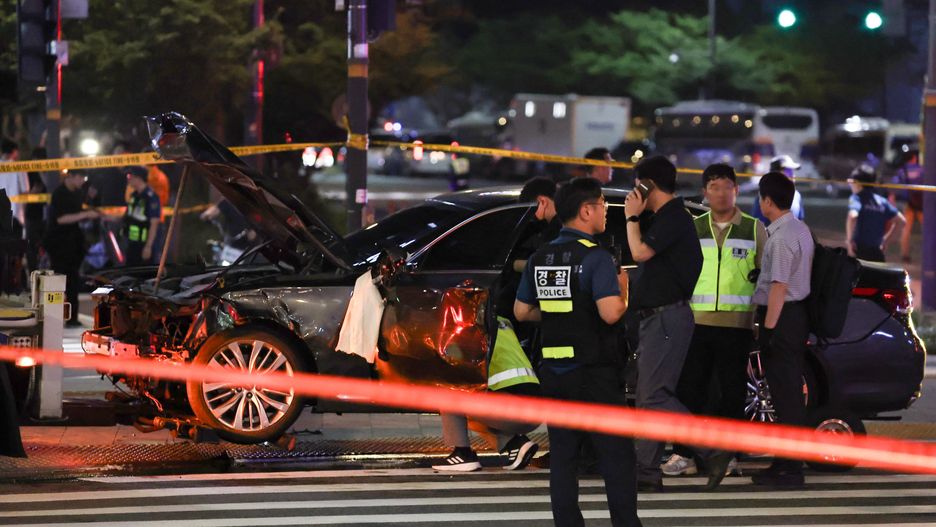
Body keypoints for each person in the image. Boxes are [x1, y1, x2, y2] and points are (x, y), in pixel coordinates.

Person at [514, 177, 640, 527]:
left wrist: (562, 313)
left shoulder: (541, 257)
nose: (605, 211)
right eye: (602, 204)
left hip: (555, 371)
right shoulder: (596, 257)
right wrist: (624, 290)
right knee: (616, 455)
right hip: (595, 371)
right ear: (586, 211)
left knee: (564, 457)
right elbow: (610, 313)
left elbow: (522, 312)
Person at [623, 155, 731, 492]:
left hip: (666, 317)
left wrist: (631, 217)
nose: (633, 193)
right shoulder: (667, 218)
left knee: (654, 396)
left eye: (637, 186)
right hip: (660, 318)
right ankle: (646, 472)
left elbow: (639, 253)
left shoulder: (673, 217)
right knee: (650, 397)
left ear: (647, 185)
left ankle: (713, 449)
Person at [662, 163, 766, 477]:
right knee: (689, 390)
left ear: (736, 190)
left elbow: (765, 278)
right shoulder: (694, 228)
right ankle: (684, 454)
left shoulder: (754, 229)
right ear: (705, 192)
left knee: (732, 394)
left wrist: (758, 319)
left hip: (736, 326)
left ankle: (727, 455)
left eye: (727, 187)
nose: (721, 193)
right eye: (714, 187)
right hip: (696, 324)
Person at [750, 171, 814, 488]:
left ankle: (790, 468)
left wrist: (769, 329)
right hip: (794, 316)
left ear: (767, 201)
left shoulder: (781, 237)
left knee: (785, 394)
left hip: (782, 318)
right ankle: (785, 462)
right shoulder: (799, 229)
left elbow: (779, 286)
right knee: (787, 392)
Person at [431, 316, 541, 472]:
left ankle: (462, 454)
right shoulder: (502, 323)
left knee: (449, 388)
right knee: (468, 416)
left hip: (513, 410)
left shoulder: (469, 332)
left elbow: (457, 376)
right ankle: (515, 444)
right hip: (537, 410)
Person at [45, 170, 99, 328]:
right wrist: (85, 215)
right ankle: (53, 319)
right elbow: (61, 219)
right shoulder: (59, 194)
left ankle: (72, 318)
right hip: (58, 244)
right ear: (71, 177)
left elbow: (77, 213)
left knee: (73, 281)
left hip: (73, 244)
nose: (83, 181)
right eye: (81, 177)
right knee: (57, 283)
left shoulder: (78, 193)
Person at [846, 164, 905, 262]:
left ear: (858, 183)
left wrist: (849, 241)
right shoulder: (882, 201)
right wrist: (886, 241)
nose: (849, 182)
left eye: (851, 181)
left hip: (859, 251)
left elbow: (852, 216)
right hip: (877, 252)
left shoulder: (856, 198)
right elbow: (901, 221)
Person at [122, 166, 162, 266]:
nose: (128, 179)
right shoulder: (134, 196)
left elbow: (154, 223)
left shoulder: (150, 197)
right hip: (132, 244)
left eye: (129, 176)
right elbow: (127, 216)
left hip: (144, 244)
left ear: (138, 178)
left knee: (144, 272)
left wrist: (148, 246)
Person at [888, 151, 923, 263]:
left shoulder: (902, 170)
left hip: (909, 204)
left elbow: (893, 187)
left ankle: (905, 255)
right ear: (914, 158)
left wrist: (892, 200)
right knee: (929, 230)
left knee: (905, 230)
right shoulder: (921, 169)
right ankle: (930, 255)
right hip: (922, 205)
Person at [751, 155, 804, 226]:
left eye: (792, 171)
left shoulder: (797, 195)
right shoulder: (763, 196)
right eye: (788, 171)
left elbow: (800, 221)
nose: (792, 175)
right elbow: (758, 226)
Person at [24, 147, 48, 273]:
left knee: (46, 243)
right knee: (31, 246)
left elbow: (49, 186)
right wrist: (32, 193)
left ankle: (45, 270)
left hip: (45, 214)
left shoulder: (47, 172)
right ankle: (32, 272)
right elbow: (24, 194)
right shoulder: (27, 172)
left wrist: (42, 172)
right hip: (31, 214)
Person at [0, 138, 28, 236]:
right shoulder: (19, 167)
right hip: (16, 216)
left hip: (1, 216)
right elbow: (25, 192)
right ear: (14, 151)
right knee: (15, 244)